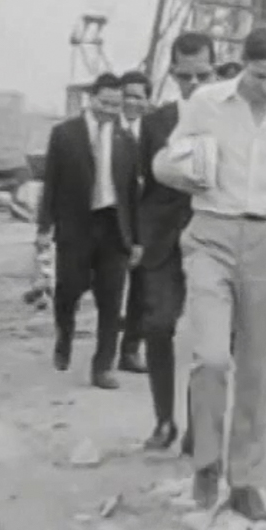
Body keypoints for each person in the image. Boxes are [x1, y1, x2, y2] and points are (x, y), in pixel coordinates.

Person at [153, 23, 266, 519]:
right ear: (242, 64)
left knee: (257, 367)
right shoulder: (206, 103)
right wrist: (182, 173)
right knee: (210, 356)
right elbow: (167, 160)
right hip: (212, 233)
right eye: (259, 76)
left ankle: (244, 478)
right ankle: (206, 460)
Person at [135, 32, 216, 451]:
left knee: (209, 337)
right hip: (164, 241)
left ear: (215, 71)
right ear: (172, 74)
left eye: (203, 75)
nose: (194, 84)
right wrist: (138, 239)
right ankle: (164, 420)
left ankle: (198, 425)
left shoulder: (229, 120)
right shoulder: (154, 124)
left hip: (213, 240)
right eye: (186, 76)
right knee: (158, 325)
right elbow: (140, 188)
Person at [37, 72, 141, 390]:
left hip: (114, 228)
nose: (110, 110)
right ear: (92, 99)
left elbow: (132, 195)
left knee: (111, 299)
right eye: (105, 103)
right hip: (76, 227)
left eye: (116, 105)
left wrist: (137, 239)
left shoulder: (127, 140)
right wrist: (44, 227)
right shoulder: (64, 134)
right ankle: (64, 336)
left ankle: (103, 367)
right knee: (68, 290)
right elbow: (50, 183)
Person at [116, 70, 153, 375]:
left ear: (147, 101)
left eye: (138, 97)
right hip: (110, 218)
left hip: (143, 220)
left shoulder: (153, 132)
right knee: (109, 285)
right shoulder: (105, 128)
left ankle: (130, 349)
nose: (131, 102)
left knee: (141, 287)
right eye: (126, 96)